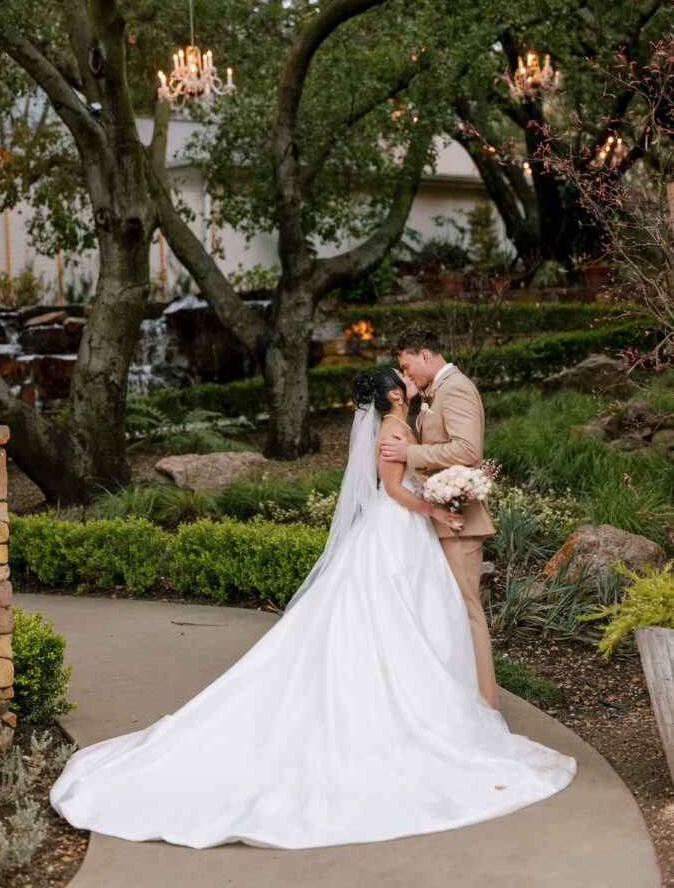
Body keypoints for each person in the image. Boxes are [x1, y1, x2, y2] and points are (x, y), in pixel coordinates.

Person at [50, 368, 575, 850]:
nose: (410, 383)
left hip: (404, 538)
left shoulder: (397, 425)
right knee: (391, 622)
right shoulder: (393, 431)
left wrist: (440, 488)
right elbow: (392, 490)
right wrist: (435, 504)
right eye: (403, 381)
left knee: (412, 620)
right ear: (394, 393)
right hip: (395, 536)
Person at [380, 324, 499, 709]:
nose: (406, 373)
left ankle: (488, 707)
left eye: (407, 364)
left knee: (467, 613)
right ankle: (461, 704)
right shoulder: (433, 393)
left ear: (425, 355)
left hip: (460, 518)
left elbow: (467, 449)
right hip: (440, 517)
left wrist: (410, 456)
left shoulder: (458, 387)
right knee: (448, 614)